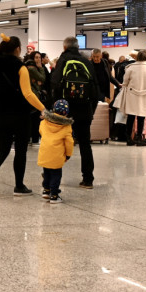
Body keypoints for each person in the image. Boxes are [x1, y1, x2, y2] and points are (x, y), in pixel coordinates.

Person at [0, 35, 45, 199]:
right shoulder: (21, 67)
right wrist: (43, 108)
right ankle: (19, 186)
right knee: (21, 150)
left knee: (2, 150)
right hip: (20, 114)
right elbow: (28, 93)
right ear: (17, 49)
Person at [50, 36, 98, 189]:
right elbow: (95, 89)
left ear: (64, 47)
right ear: (78, 47)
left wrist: (55, 109)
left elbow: (55, 85)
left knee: (58, 143)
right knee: (85, 145)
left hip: (65, 111)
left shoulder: (63, 60)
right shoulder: (86, 62)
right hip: (84, 110)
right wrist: (91, 110)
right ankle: (88, 179)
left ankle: (52, 174)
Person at [118, 50, 146, 147]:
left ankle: (129, 138)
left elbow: (125, 82)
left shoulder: (130, 68)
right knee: (141, 117)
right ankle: (139, 138)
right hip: (145, 95)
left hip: (131, 95)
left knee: (131, 117)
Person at [38, 99, 74, 204]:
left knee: (46, 173)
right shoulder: (66, 126)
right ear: (66, 113)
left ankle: (46, 190)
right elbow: (69, 142)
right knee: (56, 175)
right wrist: (68, 155)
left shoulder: (44, 122)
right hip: (57, 156)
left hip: (45, 153)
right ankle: (54, 195)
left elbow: (40, 131)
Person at [26, 50, 49, 144]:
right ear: (32, 58)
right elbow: (42, 78)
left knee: (33, 117)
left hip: (33, 94)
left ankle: (32, 138)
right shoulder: (32, 68)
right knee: (35, 118)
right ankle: (34, 139)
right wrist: (41, 68)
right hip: (33, 95)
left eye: (39, 57)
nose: (38, 59)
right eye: (36, 57)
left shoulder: (30, 67)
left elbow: (41, 80)